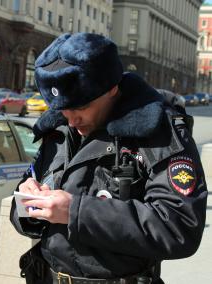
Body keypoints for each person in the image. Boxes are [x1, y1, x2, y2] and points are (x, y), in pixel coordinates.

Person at [10, 33, 207, 284]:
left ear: (111, 89)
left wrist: (75, 212)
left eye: (80, 107)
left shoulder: (157, 131)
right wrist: (28, 204)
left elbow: (180, 227)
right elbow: (23, 201)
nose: (71, 120)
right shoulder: (58, 129)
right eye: (61, 108)